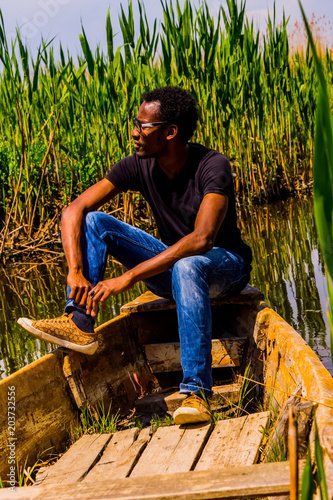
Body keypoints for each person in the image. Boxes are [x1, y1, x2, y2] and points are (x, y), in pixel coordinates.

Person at [18, 86, 252, 425]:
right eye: (136, 122)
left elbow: (201, 240)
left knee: (189, 265)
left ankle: (197, 392)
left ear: (170, 132)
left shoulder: (212, 165)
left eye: (143, 126)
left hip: (224, 267)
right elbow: (74, 211)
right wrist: (75, 271)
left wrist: (129, 276)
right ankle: (80, 322)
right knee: (95, 222)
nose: (134, 132)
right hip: (177, 268)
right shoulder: (137, 165)